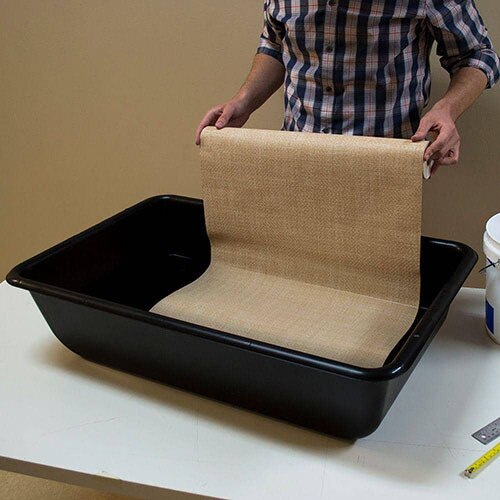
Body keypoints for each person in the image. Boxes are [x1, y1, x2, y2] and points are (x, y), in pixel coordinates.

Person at [195, 1, 499, 175]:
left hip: (382, 165)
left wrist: (447, 110)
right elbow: (276, 42)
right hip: (297, 153)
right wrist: (244, 100)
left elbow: (478, 55)